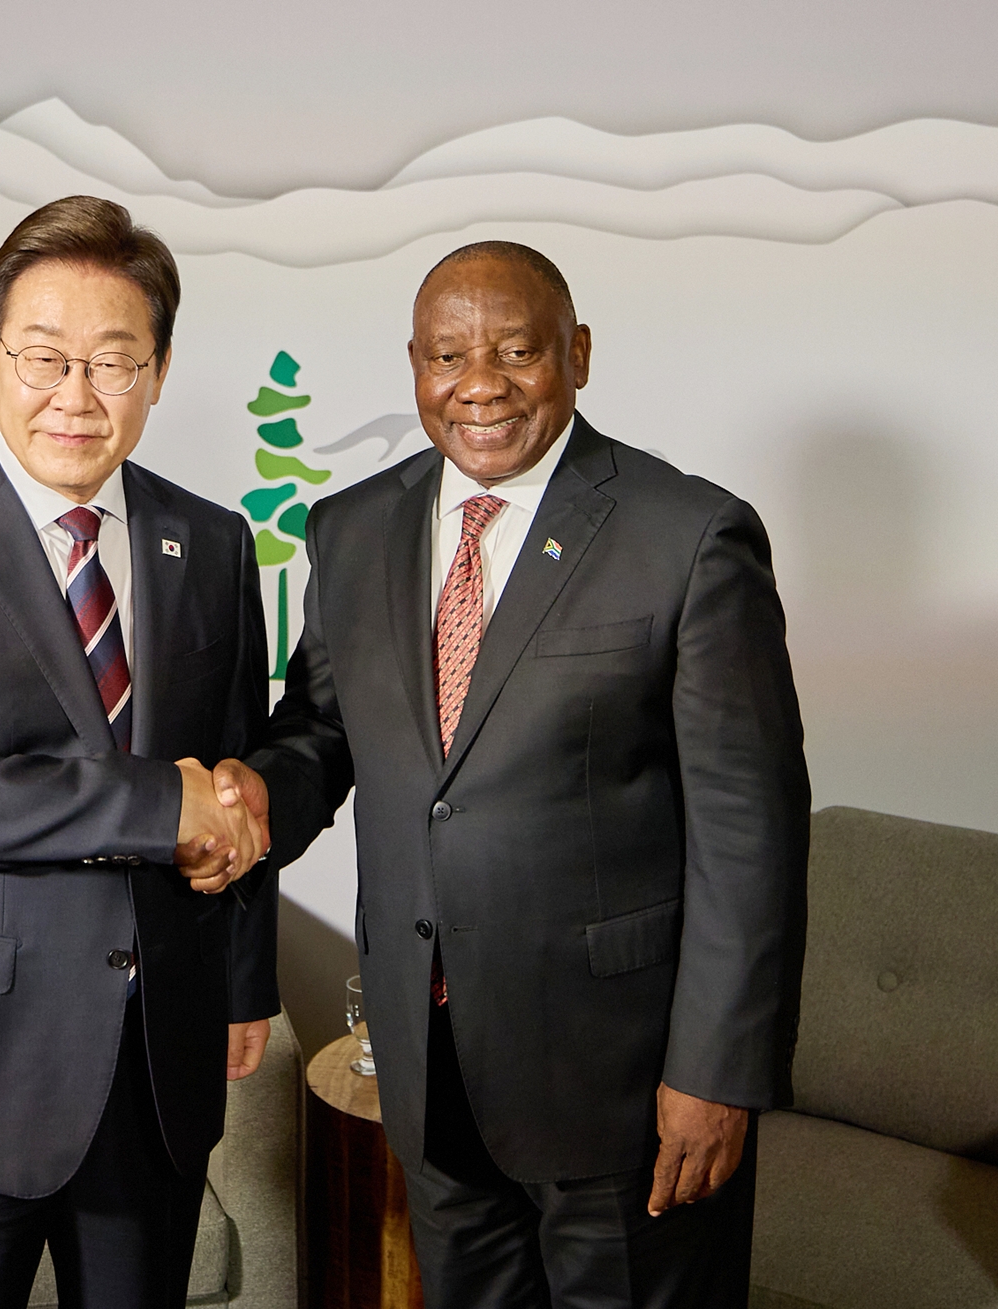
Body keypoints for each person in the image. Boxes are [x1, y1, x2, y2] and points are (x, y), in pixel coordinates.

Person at [215, 241, 811, 1307]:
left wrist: (716, 1072)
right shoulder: (351, 528)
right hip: (430, 1068)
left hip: (621, 1088)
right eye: (447, 356)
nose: (479, 384)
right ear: (414, 365)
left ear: (576, 353)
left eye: (517, 351)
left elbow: (749, 832)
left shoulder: (688, 535)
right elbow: (323, 729)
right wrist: (256, 795)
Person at [0, 195, 275, 1309]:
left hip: (155, 1061)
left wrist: (242, 983)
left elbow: (235, 775)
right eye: (43, 357)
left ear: (157, 374)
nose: (76, 395)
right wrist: (157, 807)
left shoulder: (212, 541)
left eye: (113, 363)